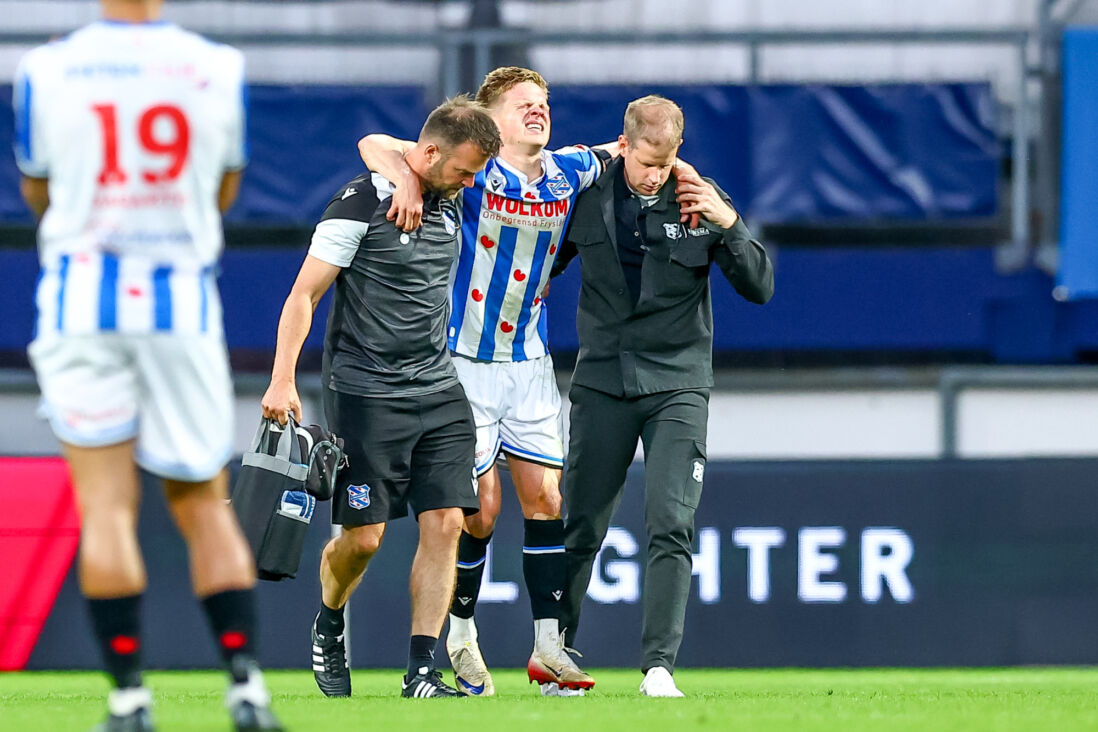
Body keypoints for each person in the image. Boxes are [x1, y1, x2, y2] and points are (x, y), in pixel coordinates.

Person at [12, 2, 282, 731]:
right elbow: (224, 187)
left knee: (106, 506)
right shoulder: (216, 67)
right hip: (180, 303)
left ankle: (130, 699)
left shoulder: (45, 67)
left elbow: (38, 191)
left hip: (78, 303)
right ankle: (245, 688)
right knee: (201, 501)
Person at [358, 67, 607, 697]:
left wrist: (684, 177)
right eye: (524, 104)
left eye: (545, 103)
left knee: (547, 500)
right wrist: (412, 176)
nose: (539, 112)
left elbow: (630, 149)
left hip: (529, 363)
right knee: (480, 511)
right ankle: (463, 638)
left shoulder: (568, 170)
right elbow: (374, 144)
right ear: (490, 119)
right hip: (464, 360)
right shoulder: (475, 174)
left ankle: (548, 646)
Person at [260, 96, 500, 700]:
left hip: (439, 387)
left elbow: (393, 144)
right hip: (364, 392)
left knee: (447, 521)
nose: (470, 184)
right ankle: (330, 620)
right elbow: (301, 297)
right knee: (363, 539)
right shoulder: (359, 205)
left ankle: (422, 671)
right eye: (464, 172)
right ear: (430, 154)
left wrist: (414, 178)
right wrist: (282, 378)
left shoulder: (444, 190)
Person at [553, 95, 774, 697]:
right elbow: (539, 266)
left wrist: (729, 224)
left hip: (678, 382)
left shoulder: (702, 198)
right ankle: (556, 657)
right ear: (622, 145)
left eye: (667, 162)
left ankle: (658, 667)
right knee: (579, 525)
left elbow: (759, 287)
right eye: (646, 162)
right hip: (601, 380)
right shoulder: (586, 195)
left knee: (671, 521)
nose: (656, 175)